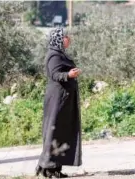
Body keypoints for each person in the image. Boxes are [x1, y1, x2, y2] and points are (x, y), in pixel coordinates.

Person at [36, 27, 82, 178]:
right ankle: (47, 167)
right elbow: (54, 74)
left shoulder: (60, 54)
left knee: (62, 132)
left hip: (64, 100)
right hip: (57, 99)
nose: (68, 39)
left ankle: (55, 168)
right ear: (58, 39)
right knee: (54, 131)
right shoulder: (54, 55)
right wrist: (69, 74)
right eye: (66, 37)